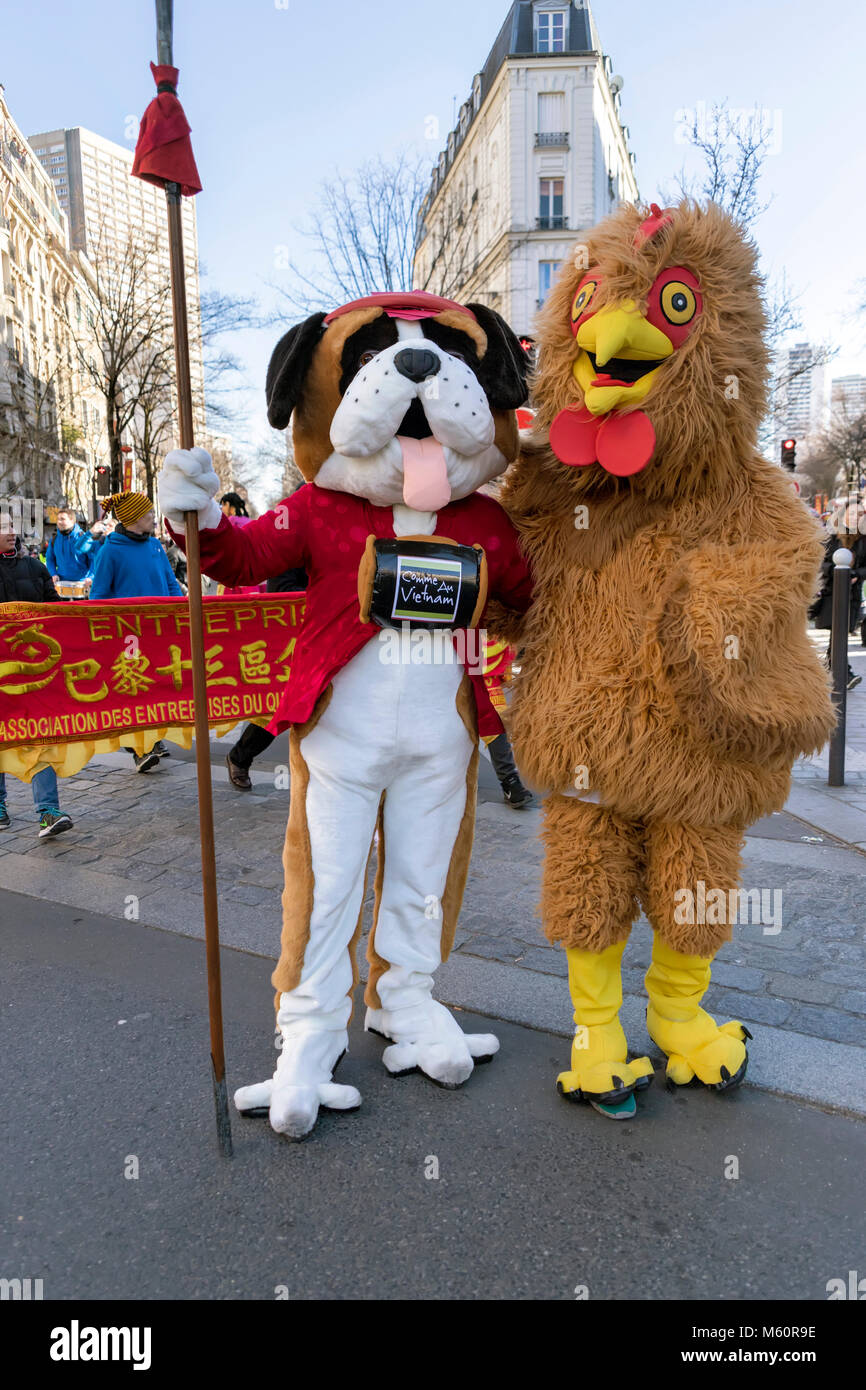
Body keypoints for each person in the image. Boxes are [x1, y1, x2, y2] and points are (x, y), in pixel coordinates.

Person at [90, 490, 184, 771]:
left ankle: (152, 739)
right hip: (127, 637)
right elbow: (98, 598)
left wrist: (179, 614)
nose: (154, 518)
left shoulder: (155, 546)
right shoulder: (110, 551)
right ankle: (139, 749)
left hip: (157, 633)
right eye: (148, 515)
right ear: (132, 519)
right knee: (133, 691)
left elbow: (170, 584)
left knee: (155, 687)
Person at [0, 511, 74, 838]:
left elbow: (56, 611)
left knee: (41, 736)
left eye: (12, 526)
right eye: (3, 527)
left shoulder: (34, 567)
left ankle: (48, 811)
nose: (11, 532)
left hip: (35, 673)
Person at [809, 501, 866, 691]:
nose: (855, 518)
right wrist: (836, 570)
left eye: (859, 515)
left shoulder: (863, 539)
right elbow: (820, 562)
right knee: (837, 633)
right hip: (831, 593)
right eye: (851, 514)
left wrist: (857, 575)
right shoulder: (831, 537)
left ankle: (833, 671)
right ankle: (843, 673)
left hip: (852, 595)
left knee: (839, 634)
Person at [45, 507, 98, 588]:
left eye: (62, 519)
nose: (59, 522)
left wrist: (91, 577)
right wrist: (53, 574)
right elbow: (50, 559)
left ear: (72, 521)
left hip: (82, 585)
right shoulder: (54, 539)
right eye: (58, 519)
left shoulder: (83, 538)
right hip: (61, 584)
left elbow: (94, 560)